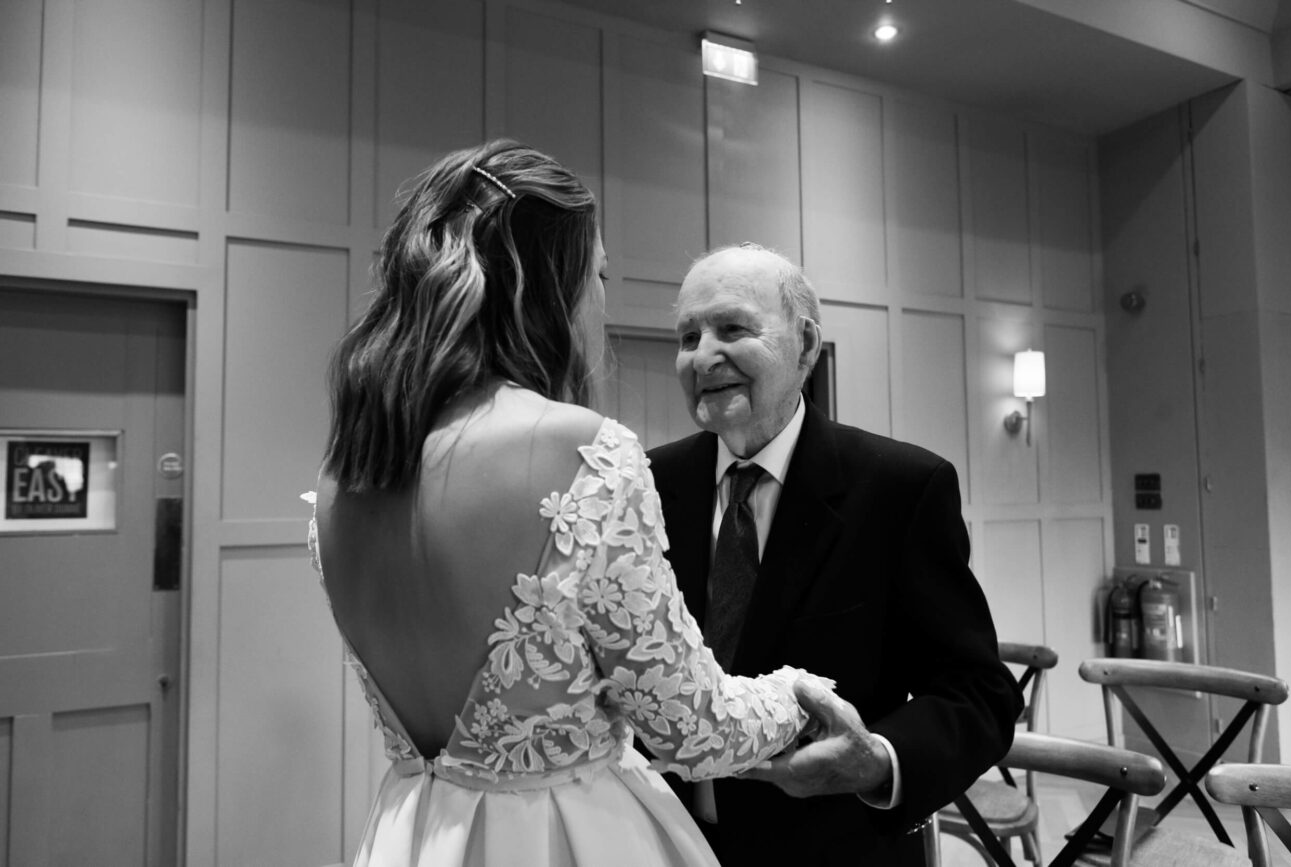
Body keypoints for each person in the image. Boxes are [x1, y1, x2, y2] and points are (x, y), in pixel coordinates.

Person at [307, 141, 829, 867]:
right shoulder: (580, 451)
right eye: (600, 275)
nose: (602, 302)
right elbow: (689, 725)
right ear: (546, 285)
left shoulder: (344, 476)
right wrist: (799, 693)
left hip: (413, 833)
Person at [646, 243, 1024, 865]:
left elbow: (978, 693)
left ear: (805, 344)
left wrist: (877, 760)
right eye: (688, 337)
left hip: (830, 848)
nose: (703, 355)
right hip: (661, 843)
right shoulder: (649, 482)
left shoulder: (900, 487)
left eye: (732, 328)